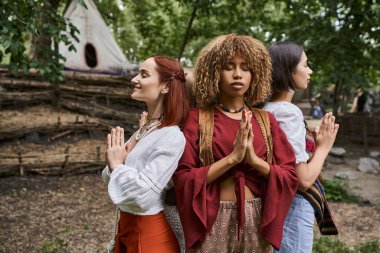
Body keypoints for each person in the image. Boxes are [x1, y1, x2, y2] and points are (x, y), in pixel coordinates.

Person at [173, 34, 298, 253]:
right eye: (229, 67)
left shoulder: (265, 120)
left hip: (256, 220)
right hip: (212, 220)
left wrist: (253, 160)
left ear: (255, 74)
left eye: (246, 68)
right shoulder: (197, 118)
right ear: (214, 72)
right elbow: (183, 178)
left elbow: (289, 175)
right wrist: (233, 158)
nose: (238, 74)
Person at [102, 56, 189, 253]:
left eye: (144, 74)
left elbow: (143, 196)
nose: (134, 79)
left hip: (149, 238)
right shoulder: (145, 130)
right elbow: (108, 178)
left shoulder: (172, 137)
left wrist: (117, 165)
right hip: (126, 227)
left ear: (165, 86)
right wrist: (114, 165)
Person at [264, 42, 339, 253]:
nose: (310, 71)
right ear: (288, 70)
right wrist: (324, 147)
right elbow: (303, 180)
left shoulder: (266, 109)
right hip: (294, 206)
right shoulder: (288, 113)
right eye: (305, 65)